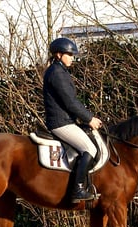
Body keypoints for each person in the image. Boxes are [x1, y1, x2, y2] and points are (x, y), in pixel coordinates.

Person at [43, 37, 103, 203]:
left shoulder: (60, 71)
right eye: (69, 54)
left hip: (66, 121)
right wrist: (89, 119)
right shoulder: (56, 73)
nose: (72, 57)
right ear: (59, 54)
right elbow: (70, 102)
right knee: (90, 149)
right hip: (61, 123)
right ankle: (77, 189)